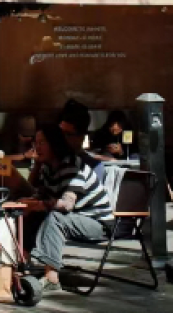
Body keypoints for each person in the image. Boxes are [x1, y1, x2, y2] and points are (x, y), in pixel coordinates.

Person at [26, 124, 112, 297]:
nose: (37, 147)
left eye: (42, 142)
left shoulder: (73, 164)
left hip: (97, 223)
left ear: (54, 144)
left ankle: (51, 278)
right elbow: (39, 193)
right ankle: (22, 265)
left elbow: (67, 204)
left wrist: (42, 204)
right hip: (74, 218)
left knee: (55, 217)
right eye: (36, 143)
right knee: (27, 215)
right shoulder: (47, 168)